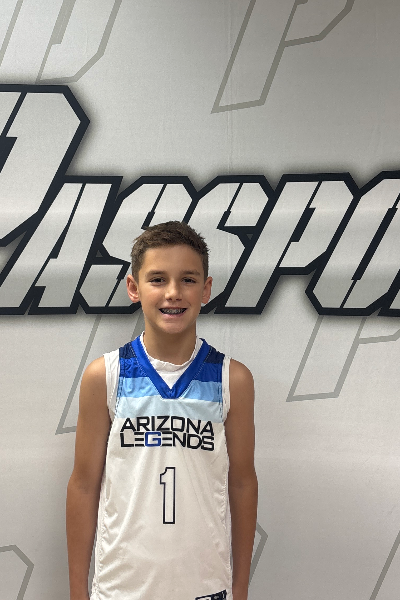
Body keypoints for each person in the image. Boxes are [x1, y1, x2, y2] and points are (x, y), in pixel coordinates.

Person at [66, 221, 258, 600]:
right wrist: (76, 591)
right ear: (133, 287)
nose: (173, 292)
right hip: (120, 589)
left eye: (188, 279)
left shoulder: (231, 379)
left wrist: (240, 588)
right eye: (157, 279)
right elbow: (84, 485)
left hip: (204, 587)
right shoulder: (106, 375)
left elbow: (242, 483)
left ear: (206, 289)